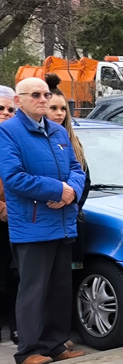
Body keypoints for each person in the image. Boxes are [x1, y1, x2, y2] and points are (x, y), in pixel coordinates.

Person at [0, 78, 86, 364]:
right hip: (32, 224)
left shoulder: (58, 131)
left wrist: (71, 191)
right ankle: (27, 351)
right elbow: (14, 178)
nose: (42, 99)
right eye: (35, 95)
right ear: (19, 101)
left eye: (45, 94)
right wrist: (56, 190)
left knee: (59, 287)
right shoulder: (8, 132)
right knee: (33, 290)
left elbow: (77, 169)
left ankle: (55, 344)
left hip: (62, 221)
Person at [45, 74, 90, 274]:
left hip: (70, 221)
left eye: (63, 108)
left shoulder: (74, 141)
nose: (59, 113)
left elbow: (85, 179)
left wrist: (70, 198)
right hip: (44, 221)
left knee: (67, 282)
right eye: (53, 108)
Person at [0, 85, 17, 344]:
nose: (5, 113)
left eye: (10, 109)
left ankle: (17, 327)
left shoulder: (17, 138)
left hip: (16, 218)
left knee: (16, 275)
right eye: (0, 109)